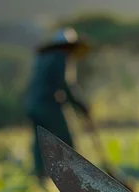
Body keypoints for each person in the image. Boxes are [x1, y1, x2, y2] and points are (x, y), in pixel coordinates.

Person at [24, 27, 91, 179]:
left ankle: (41, 177)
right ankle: (75, 177)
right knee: (66, 140)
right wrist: (81, 105)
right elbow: (66, 84)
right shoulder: (61, 57)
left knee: (41, 143)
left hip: (32, 105)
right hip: (46, 105)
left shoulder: (43, 58)